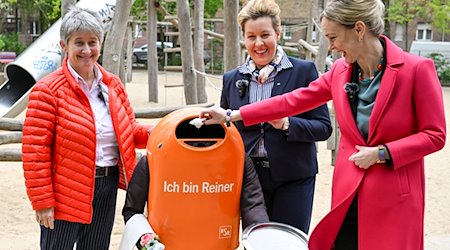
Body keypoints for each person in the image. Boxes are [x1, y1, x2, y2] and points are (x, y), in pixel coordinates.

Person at [200, 0, 446, 249]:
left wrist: (383, 153)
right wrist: (231, 115)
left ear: (359, 29)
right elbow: (290, 101)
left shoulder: (417, 69)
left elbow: (435, 135)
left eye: (333, 36)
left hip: (395, 194)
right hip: (348, 191)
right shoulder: (340, 70)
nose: (331, 46)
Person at [21, 6, 152, 250]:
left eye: (92, 42)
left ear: (100, 44)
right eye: (78, 42)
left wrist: (160, 131)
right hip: (65, 192)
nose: (87, 50)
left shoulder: (113, 85)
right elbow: (34, 152)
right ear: (64, 46)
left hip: (107, 185)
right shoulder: (48, 91)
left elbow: (129, 130)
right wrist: (42, 201)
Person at [219, 0, 332, 234]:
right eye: (251, 37)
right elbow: (227, 133)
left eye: (265, 35)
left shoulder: (304, 71)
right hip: (250, 179)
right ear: (244, 39)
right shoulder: (231, 78)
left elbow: (323, 128)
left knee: (289, 242)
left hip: (295, 177)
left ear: (278, 33)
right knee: (256, 241)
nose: (258, 43)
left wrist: (287, 124)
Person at [121, 154, 269, 249]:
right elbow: (132, 211)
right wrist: (148, 243)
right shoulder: (154, 160)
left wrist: (261, 240)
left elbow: (253, 206)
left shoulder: (237, 160)